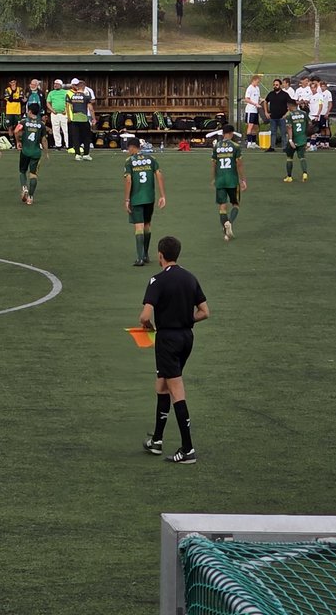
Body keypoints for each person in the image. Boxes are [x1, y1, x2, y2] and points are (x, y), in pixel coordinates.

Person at [139, 235, 209, 464]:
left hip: (167, 340)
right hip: (186, 337)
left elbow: (145, 315)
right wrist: (184, 319)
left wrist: (147, 326)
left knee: (176, 389)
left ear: (160, 255)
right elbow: (204, 312)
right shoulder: (190, 278)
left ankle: (187, 449)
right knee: (162, 384)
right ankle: (157, 440)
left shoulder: (157, 281)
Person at [123, 138, 166, 267]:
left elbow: (129, 181)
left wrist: (126, 199)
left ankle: (140, 257)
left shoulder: (129, 162)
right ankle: (146, 254)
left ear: (132, 147)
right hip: (149, 198)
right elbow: (159, 176)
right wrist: (162, 195)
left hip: (136, 198)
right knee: (147, 225)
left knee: (138, 227)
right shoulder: (152, 159)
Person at [212, 124, 247, 241]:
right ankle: (230, 222)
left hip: (220, 180)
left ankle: (226, 233)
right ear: (231, 134)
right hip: (232, 180)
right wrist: (243, 179)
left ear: (223, 134)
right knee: (236, 204)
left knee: (222, 207)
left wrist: (213, 178)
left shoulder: (216, 146)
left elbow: (214, 163)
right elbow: (239, 164)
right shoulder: (235, 146)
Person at [14, 102, 44, 206]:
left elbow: (16, 131)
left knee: (22, 171)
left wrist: (18, 141)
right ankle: (30, 197)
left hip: (25, 151)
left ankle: (24, 187)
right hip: (36, 152)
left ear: (29, 111)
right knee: (33, 174)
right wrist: (46, 151)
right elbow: (43, 139)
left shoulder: (24, 121)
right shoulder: (41, 124)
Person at [66, 78, 94, 161]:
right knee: (86, 137)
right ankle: (86, 154)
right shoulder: (86, 96)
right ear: (84, 87)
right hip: (84, 119)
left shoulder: (72, 96)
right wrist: (94, 118)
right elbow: (91, 108)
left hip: (74, 119)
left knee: (76, 137)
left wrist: (70, 116)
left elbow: (69, 107)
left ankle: (77, 154)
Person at [283, 99, 309, 183]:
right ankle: (305, 173)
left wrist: (290, 140)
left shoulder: (289, 115)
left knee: (289, 158)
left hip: (294, 139)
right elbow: (309, 124)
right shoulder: (304, 113)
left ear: (291, 105)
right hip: (302, 139)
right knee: (302, 157)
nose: (287, 108)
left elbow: (289, 127)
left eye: (288, 106)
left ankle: (289, 177)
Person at [263, 77, 290, 151]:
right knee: (273, 133)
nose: (275, 86)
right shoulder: (271, 94)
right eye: (274, 85)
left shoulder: (285, 94)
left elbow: (290, 104)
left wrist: (286, 114)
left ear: (280, 85)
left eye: (277, 85)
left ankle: (285, 147)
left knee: (283, 133)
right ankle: (272, 147)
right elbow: (265, 101)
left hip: (282, 118)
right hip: (273, 117)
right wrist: (266, 112)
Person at [46, 78, 69, 151]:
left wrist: (66, 110)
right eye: (55, 84)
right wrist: (52, 110)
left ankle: (68, 145)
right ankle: (58, 145)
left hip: (64, 113)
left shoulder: (66, 92)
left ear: (61, 85)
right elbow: (48, 103)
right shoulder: (51, 93)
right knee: (56, 129)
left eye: (57, 84)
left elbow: (69, 102)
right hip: (54, 114)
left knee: (65, 129)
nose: (55, 85)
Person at [243, 74, 262, 147]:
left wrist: (262, 100)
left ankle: (254, 142)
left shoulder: (257, 88)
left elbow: (258, 98)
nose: (258, 83)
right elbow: (247, 99)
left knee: (255, 126)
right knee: (250, 126)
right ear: (253, 81)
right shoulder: (249, 88)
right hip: (250, 110)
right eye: (257, 82)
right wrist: (254, 104)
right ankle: (249, 143)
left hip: (255, 110)